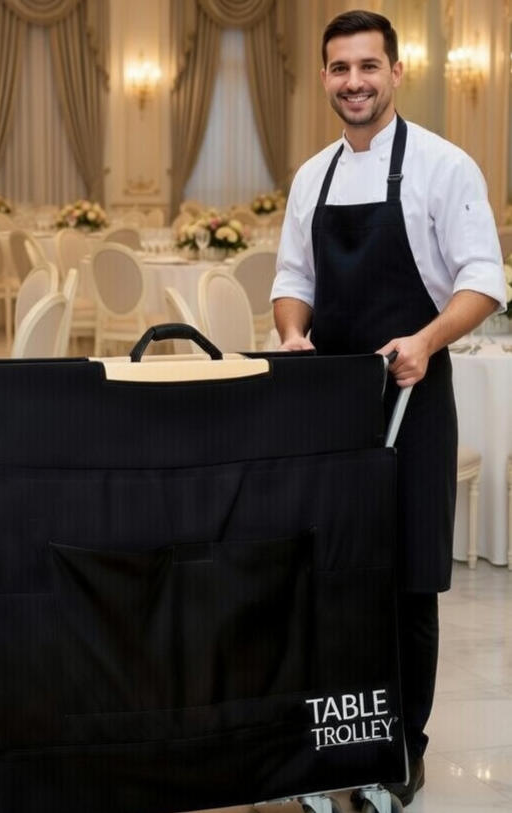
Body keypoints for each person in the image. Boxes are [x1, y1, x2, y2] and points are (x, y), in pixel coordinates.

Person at [271, 10, 506, 807]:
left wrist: (426, 338)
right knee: (327, 575)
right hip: (329, 404)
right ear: (326, 78)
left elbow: (484, 280)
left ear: (395, 72)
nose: (353, 83)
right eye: (338, 69)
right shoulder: (313, 176)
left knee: (406, 578)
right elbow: (290, 280)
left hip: (414, 391)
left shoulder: (444, 166)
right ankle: (333, 737)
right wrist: (293, 336)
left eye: (367, 67)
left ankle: (402, 745)